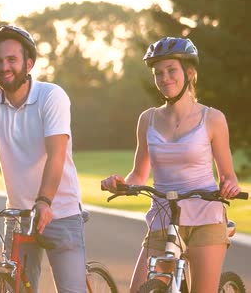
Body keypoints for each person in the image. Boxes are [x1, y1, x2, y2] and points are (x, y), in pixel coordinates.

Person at [100, 37, 241, 293]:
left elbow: (228, 175)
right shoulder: (148, 119)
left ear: (189, 73)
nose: (164, 78)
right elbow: (140, 173)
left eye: (171, 70)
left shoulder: (212, 118)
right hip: (163, 217)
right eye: (158, 73)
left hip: (205, 217)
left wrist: (229, 185)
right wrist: (121, 184)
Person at [0, 25, 86, 292]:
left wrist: (44, 201)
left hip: (59, 212)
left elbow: (56, 155)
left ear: (28, 63)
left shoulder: (51, 96)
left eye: (12, 60)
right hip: (18, 215)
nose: (4, 66)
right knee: (16, 287)